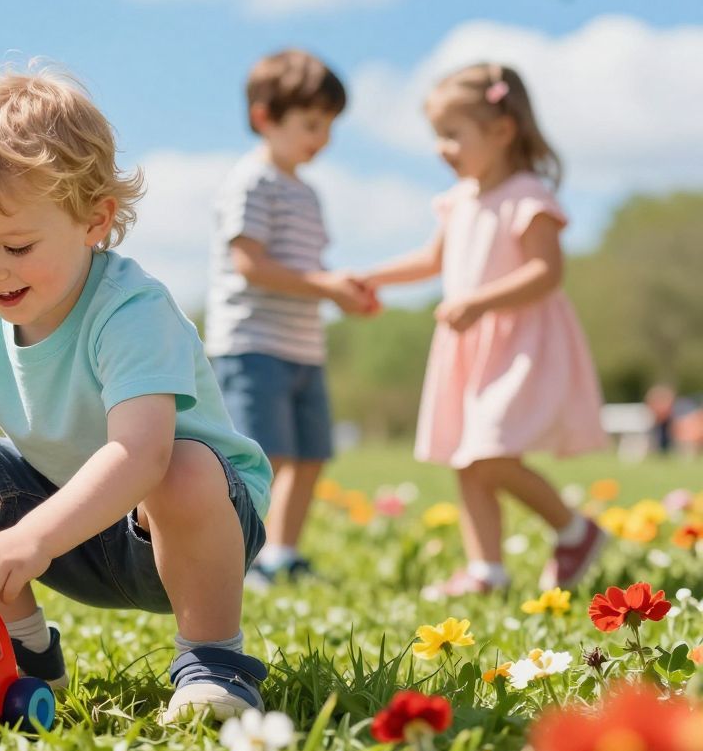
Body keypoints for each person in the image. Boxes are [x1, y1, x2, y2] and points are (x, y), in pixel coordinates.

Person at [0, 66, 273, 723]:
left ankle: (215, 665)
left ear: (94, 221)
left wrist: (31, 539)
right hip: (67, 527)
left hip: (189, 526)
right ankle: (23, 653)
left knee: (182, 466)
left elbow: (140, 456)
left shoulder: (131, 310)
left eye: (16, 244)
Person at [360, 63, 607, 597]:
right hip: (471, 345)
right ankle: (486, 569)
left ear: (501, 130)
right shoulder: (458, 201)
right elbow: (432, 260)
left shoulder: (527, 196)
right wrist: (371, 276)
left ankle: (575, 530)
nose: (440, 148)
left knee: (490, 452)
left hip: (520, 344)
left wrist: (478, 300)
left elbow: (547, 273)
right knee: (466, 458)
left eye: (452, 134)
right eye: (436, 136)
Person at [205, 49, 374, 586]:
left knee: (309, 455)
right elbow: (249, 263)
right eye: (310, 124)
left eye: (328, 126)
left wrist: (339, 291)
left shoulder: (306, 191)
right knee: (264, 457)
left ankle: (283, 553)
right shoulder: (253, 182)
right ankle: (237, 559)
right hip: (253, 344)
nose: (321, 137)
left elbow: (305, 269)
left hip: (302, 345)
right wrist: (326, 285)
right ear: (264, 119)